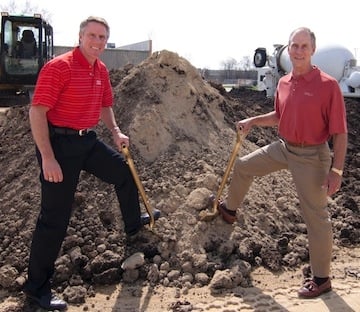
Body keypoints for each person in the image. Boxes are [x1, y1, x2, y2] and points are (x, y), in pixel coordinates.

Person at [23, 16, 160, 311]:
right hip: (58, 145)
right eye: (92, 36)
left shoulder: (100, 70)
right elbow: (37, 113)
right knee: (54, 219)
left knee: (123, 172)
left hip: (87, 141)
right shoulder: (59, 67)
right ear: (81, 36)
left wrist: (115, 131)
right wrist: (48, 158)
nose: (97, 42)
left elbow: (105, 104)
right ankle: (36, 289)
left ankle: (134, 224)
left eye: (102, 37)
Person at [214, 27, 347, 299]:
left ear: (312, 50)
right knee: (243, 166)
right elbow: (279, 114)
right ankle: (229, 210)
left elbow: (340, 132)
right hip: (285, 148)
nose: (298, 51)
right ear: (288, 49)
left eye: (303, 46)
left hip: (312, 156)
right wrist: (252, 121)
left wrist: (336, 171)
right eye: (294, 46)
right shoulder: (285, 82)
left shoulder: (328, 85)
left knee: (316, 218)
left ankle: (321, 279)